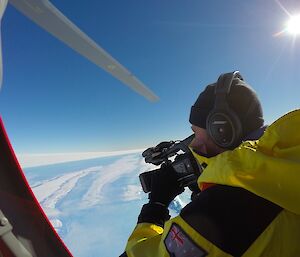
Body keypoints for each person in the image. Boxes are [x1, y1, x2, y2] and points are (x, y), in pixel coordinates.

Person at [120, 71, 300, 257]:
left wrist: (156, 206)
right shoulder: (284, 162)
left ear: (222, 131)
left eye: (196, 134)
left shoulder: (220, 213)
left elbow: (133, 254)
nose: (192, 145)